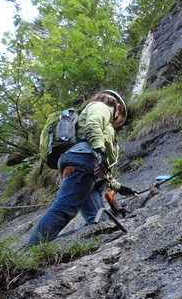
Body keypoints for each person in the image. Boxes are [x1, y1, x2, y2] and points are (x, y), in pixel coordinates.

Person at [26, 89, 137, 247]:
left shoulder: (87, 114)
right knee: (64, 208)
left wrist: (118, 187)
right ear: (117, 108)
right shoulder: (101, 107)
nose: (113, 125)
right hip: (83, 159)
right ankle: (31, 250)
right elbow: (93, 127)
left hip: (81, 164)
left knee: (101, 225)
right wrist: (102, 152)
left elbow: (102, 167)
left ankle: (48, 247)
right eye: (117, 122)